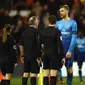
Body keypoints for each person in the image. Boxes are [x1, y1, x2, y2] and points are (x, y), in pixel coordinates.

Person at [38, 15, 65, 85]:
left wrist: (39, 57)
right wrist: (62, 56)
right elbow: (60, 45)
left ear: (48, 21)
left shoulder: (42, 31)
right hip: (54, 55)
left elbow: (39, 45)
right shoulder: (57, 32)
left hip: (45, 55)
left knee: (46, 74)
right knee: (53, 75)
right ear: (55, 22)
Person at [56, 5, 78, 85]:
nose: (60, 12)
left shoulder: (73, 23)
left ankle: (69, 83)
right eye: (59, 11)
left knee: (69, 69)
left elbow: (74, 38)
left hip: (68, 50)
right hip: (59, 50)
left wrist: (70, 51)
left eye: (62, 11)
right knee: (56, 69)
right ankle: (59, 82)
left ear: (67, 11)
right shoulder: (58, 23)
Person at [20, 16, 41, 85]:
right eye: (37, 21)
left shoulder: (24, 32)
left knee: (25, 73)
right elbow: (39, 45)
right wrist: (39, 57)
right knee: (33, 74)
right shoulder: (37, 32)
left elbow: (21, 45)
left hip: (26, 56)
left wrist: (22, 55)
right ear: (35, 23)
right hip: (34, 56)